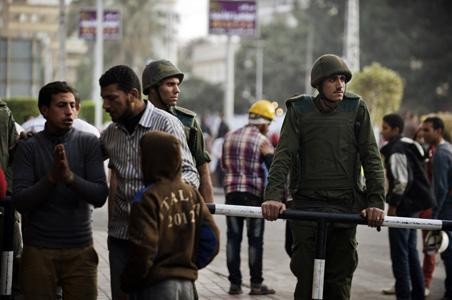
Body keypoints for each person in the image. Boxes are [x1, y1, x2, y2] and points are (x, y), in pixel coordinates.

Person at [261, 54, 385, 300]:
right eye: (332, 80)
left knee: (338, 281)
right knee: (306, 278)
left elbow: (372, 158)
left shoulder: (356, 108)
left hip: (345, 206)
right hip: (307, 206)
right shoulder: (300, 110)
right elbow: (283, 155)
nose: (340, 85)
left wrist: (375, 202)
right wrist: (274, 196)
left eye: (343, 79)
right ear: (318, 84)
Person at [99, 65, 199, 300]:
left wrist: (159, 196)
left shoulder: (167, 124)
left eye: (112, 98)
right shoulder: (111, 133)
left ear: (133, 95)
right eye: (103, 99)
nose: (106, 105)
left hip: (161, 242)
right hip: (121, 238)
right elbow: (84, 154)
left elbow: (190, 174)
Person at [12, 81, 108, 300]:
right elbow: (21, 200)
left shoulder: (88, 143)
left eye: (73, 105)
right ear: (44, 110)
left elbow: (100, 195)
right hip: (38, 251)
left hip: (81, 250)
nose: (70, 111)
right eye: (62, 105)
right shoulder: (28, 147)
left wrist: (70, 178)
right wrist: (52, 179)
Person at [120, 131, 220, 299]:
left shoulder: (147, 198)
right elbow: (212, 239)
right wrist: (187, 267)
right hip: (188, 287)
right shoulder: (192, 194)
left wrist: (128, 280)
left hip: (156, 286)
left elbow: (145, 248)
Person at [221, 99, 276, 295]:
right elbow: (273, 169)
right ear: (262, 122)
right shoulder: (262, 141)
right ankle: (255, 285)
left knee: (233, 239)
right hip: (253, 197)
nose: (268, 129)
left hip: (231, 195)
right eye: (268, 124)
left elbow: (223, 167)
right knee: (255, 240)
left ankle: (234, 284)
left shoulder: (229, 136)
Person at [142, 59, 214, 203]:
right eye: (170, 84)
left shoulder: (188, 122)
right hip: (141, 200)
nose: (177, 90)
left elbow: (202, 169)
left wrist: (207, 212)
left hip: (180, 201)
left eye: (177, 84)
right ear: (152, 89)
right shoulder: (136, 119)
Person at [380, 113, 434, 300]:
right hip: (415, 206)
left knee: (400, 255)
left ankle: (404, 295)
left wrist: (393, 206)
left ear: (395, 130)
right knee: (411, 252)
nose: (381, 130)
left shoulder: (395, 149)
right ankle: (418, 294)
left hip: (404, 207)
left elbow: (401, 181)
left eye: (385, 127)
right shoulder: (409, 144)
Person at [421, 116, 452, 300]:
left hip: (446, 209)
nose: (423, 134)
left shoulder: (441, 154)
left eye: (427, 130)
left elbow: (440, 189)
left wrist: (436, 218)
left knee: (448, 255)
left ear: (438, 131)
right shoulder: (447, 148)